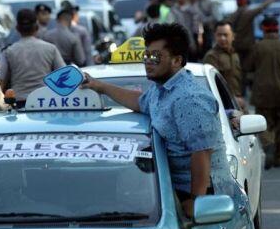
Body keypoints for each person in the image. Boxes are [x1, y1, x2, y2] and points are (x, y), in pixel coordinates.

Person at [81, 23, 230, 217]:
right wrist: (99, 86)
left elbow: (201, 153)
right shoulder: (162, 90)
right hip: (171, 190)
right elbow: (139, 102)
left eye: (155, 56)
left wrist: (195, 202)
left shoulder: (189, 98)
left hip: (203, 197)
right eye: (146, 55)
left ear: (177, 60)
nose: (147, 61)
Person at [245, 16, 280, 169]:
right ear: (278, 29)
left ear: (263, 29)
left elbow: (248, 66)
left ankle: (268, 144)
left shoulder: (257, 47)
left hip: (263, 94)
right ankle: (279, 158)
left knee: (264, 126)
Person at [0, 9, 65, 104]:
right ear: (37, 27)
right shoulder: (51, 49)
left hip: (19, 104)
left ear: (17, 28)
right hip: (47, 103)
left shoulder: (9, 51)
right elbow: (64, 75)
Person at [228, 0, 278, 72]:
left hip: (234, 46)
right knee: (248, 68)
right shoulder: (248, 13)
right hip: (248, 46)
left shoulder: (232, 15)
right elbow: (263, 6)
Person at [203, 21, 244, 107]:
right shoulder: (211, 56)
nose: (222, 38)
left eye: (226, 35)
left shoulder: (235, 55)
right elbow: (211, 85)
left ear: (233, 36)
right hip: (223, 104)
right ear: (215, 36)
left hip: (238, 102)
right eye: (219, 35)